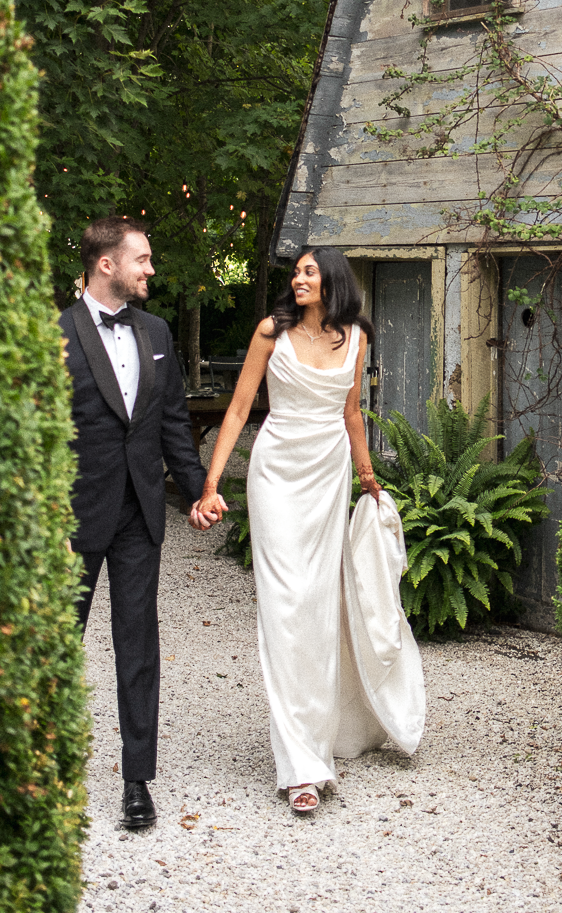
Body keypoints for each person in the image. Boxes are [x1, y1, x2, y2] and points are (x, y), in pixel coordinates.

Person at [192, 246, 424, 813]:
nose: (298, 279)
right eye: (295, 272)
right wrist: (211, 485)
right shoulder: (271, 332)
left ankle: (318, 741)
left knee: (319, 609)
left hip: (328, 477)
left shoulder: (356, 338)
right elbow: (240, 409)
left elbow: (351, 415)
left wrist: (368, 477)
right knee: (284, 605)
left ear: (333, 281)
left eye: (309, 272)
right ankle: (299, 765)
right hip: (275, 474)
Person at [61, 216, 219, 832]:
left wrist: (198, 492)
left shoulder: (155, 331)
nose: (151, 269)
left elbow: (172, 424)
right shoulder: (56, 335)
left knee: (138, 648)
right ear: (107, 264)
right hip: (71, 521)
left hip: (140, 517)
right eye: (142, 260)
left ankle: (136, 782)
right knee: (55, 648)